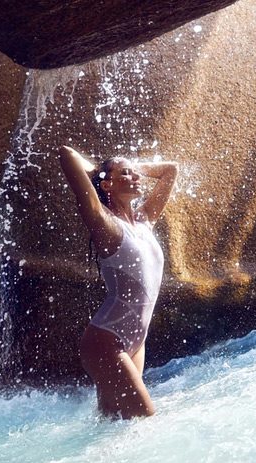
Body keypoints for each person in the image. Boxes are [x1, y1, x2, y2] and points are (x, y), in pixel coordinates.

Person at [59, 145, 178, 419]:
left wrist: (132, 168)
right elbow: (67, 154)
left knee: (116, 426)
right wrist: (99, 172)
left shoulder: (144, 221)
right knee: (144, 420)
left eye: (135, 174)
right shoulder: (105, 223)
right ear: (108, 185)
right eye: (126, 174)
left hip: (136, 341)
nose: (135, 178)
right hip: (107, 340)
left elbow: (170, 171)